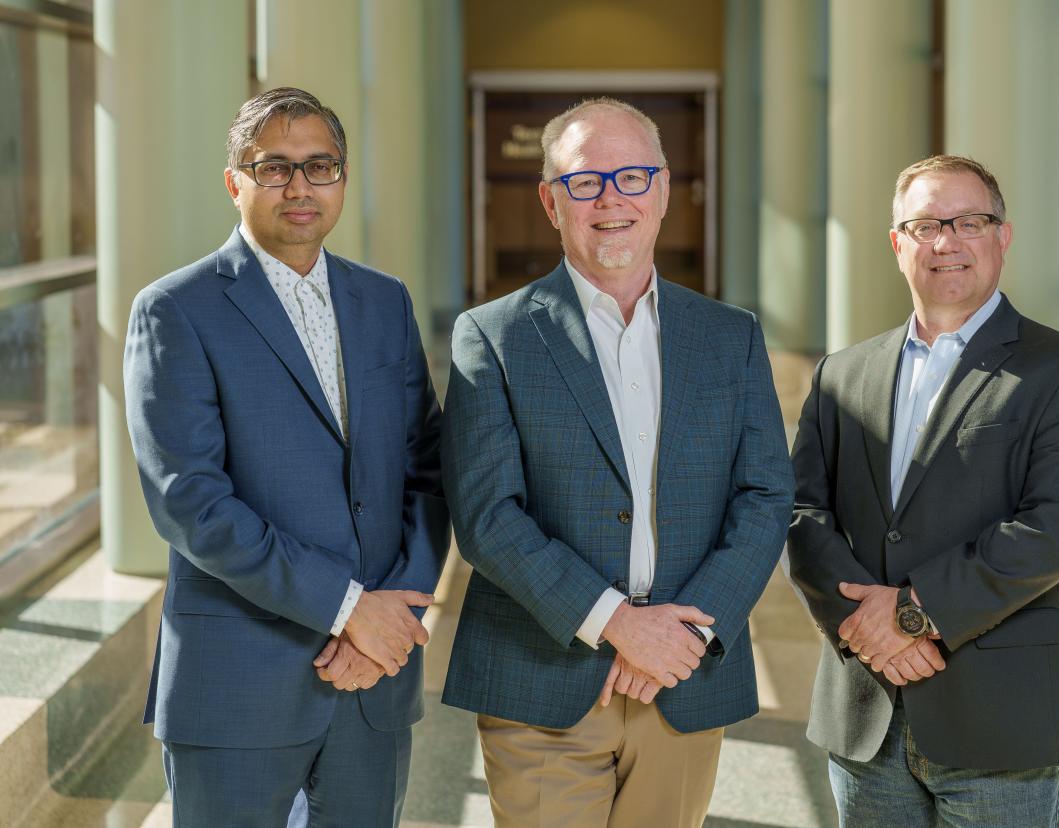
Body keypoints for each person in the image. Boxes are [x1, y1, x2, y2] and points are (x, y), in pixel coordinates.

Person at [439, 97, 793, 828]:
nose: (610, 200)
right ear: (549, 200)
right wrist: (618, 625)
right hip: (541, 678)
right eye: (584, 181)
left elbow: (764, 495)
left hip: (683, 684)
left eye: (632, 178)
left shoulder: (732, 338)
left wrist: (683, 635)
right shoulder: (493, 337)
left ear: (662, 191)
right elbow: (486, 518)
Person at [123, 86, 449, 827]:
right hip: (239, 685)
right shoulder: (176, 310)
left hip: (373, 687)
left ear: (341, 179)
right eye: (274, 168)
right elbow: (191, 505)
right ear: (235, 181)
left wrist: (394, 612)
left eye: (319, 166)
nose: (299, 186)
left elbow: (428, 469)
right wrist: (348, 610)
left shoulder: (385, 302)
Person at [787, 155, 1059, 827]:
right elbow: (800, 512)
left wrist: (911, 615)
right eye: (926, 225)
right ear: (897, 243)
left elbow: (1057, 528)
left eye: (970, 222)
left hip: (1002, 722)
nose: (947, 242)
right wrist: (868, 632)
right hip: (866, 716)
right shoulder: (840, 374)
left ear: (1003, 236)